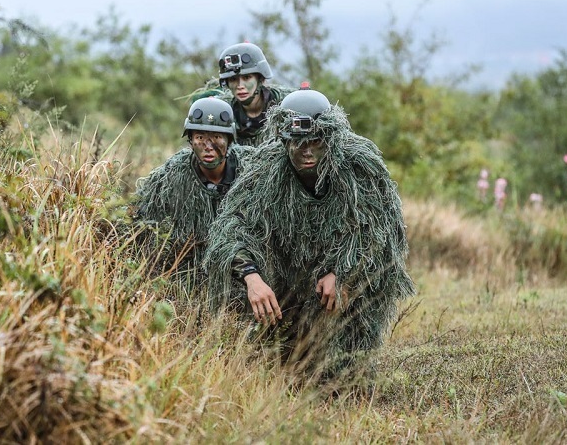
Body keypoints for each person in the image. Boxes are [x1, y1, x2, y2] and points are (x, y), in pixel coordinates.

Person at [204, 88, 415, 388]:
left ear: (329, 138)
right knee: (280, 371)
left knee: (340, 380)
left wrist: (344, 274)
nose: (306, 152)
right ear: (285, 141)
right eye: (297, 143)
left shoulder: (358, 167)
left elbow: (379, 234)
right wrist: (252, 277)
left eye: (315, 142)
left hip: (343, 282)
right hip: (290, 278)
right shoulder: (266, 169)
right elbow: (232, 226)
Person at [132, 97, 253, 290]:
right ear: (190, 140)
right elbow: (143, 224)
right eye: (200, 137)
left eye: (217, 137)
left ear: (229, 140)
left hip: (244, 266)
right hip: (191, 272)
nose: (208, 145)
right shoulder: (170, 178)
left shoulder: (250, 170)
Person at [217, 42, 291, 146]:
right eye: (233, 79)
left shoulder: (286, 105)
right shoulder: (223, 112)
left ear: (260, 78)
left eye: (247, 78)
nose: (240, 86)